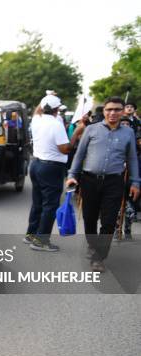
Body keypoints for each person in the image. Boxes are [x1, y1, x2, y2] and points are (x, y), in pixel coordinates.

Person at [66, 97, 140, 272]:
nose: (113, 113)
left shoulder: (128, 133)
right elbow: (79, 154)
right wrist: (71, 175)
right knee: (89, 218)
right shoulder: (91, 130)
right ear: (104, 111)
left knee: (108, 222)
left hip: (114, 181)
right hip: (89, 180)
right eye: (109, 110)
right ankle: (93, 244)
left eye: (117, 110)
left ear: (122, 112)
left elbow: (132, 159)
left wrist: (136, 182)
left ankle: (99, 257)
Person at [24, 95, 82, 251]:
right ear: (57, 110)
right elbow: (64, 149)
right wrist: (76, 133)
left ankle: (31, 234)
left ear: (42, 107)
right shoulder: (56, 124)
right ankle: (41, 241)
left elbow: (39, 109)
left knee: (38, 202)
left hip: (36, 164)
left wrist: (47, 97)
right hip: (51, 167)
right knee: (50, 205)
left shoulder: (36, 119)